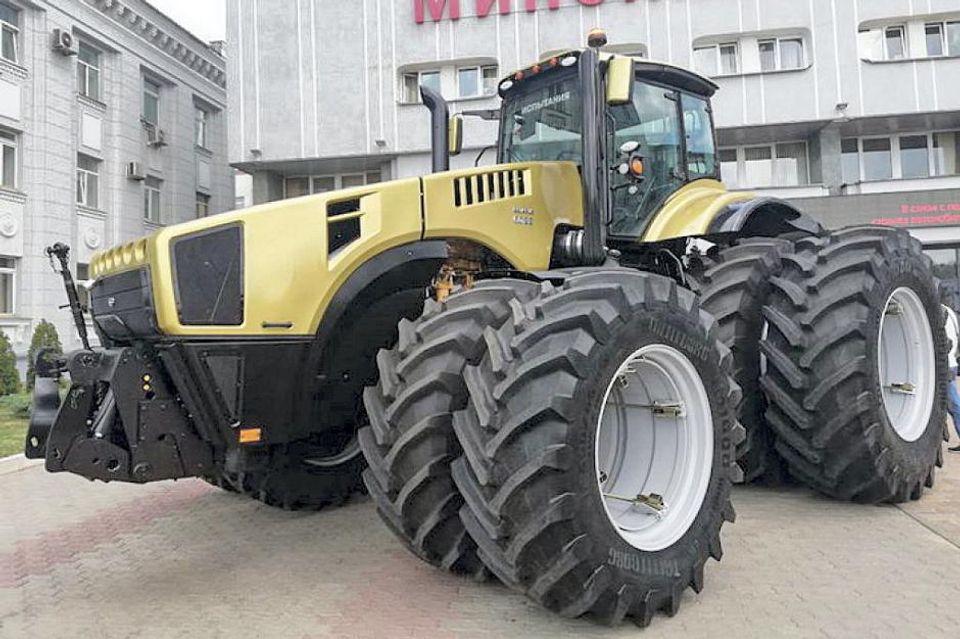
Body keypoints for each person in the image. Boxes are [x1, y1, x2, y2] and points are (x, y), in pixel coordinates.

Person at [943, 302, 960, 452]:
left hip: (945, 364)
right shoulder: (949, 311)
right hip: (952, 362)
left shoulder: (938, 311)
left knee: (953, 404)